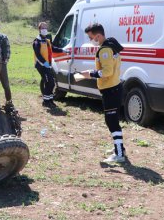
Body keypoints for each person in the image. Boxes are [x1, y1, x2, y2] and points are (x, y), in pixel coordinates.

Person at [78, 23, 126, 163]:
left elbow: (107, 71)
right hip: (114, 88)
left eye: (91, 37)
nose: (91, 40)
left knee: (111, 121)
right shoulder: (111, 45)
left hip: (111, 90)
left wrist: (90, 74)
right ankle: (119, 148)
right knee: (113, 120)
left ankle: (119, 154)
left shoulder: (105, 50)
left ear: (98, 35)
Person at [33, 21, 67, 107]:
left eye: (45, 28)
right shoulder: (37, 41)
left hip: (48, 65)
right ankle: (46, 101)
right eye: (42, 28)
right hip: (41, 65)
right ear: (39, 30)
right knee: (50, 82)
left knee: (50, 83)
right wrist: (44, 63)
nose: (44, 29)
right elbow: (38, 54)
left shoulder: (47, 40)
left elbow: (53, 48)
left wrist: (63, 50)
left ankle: (50, 100)